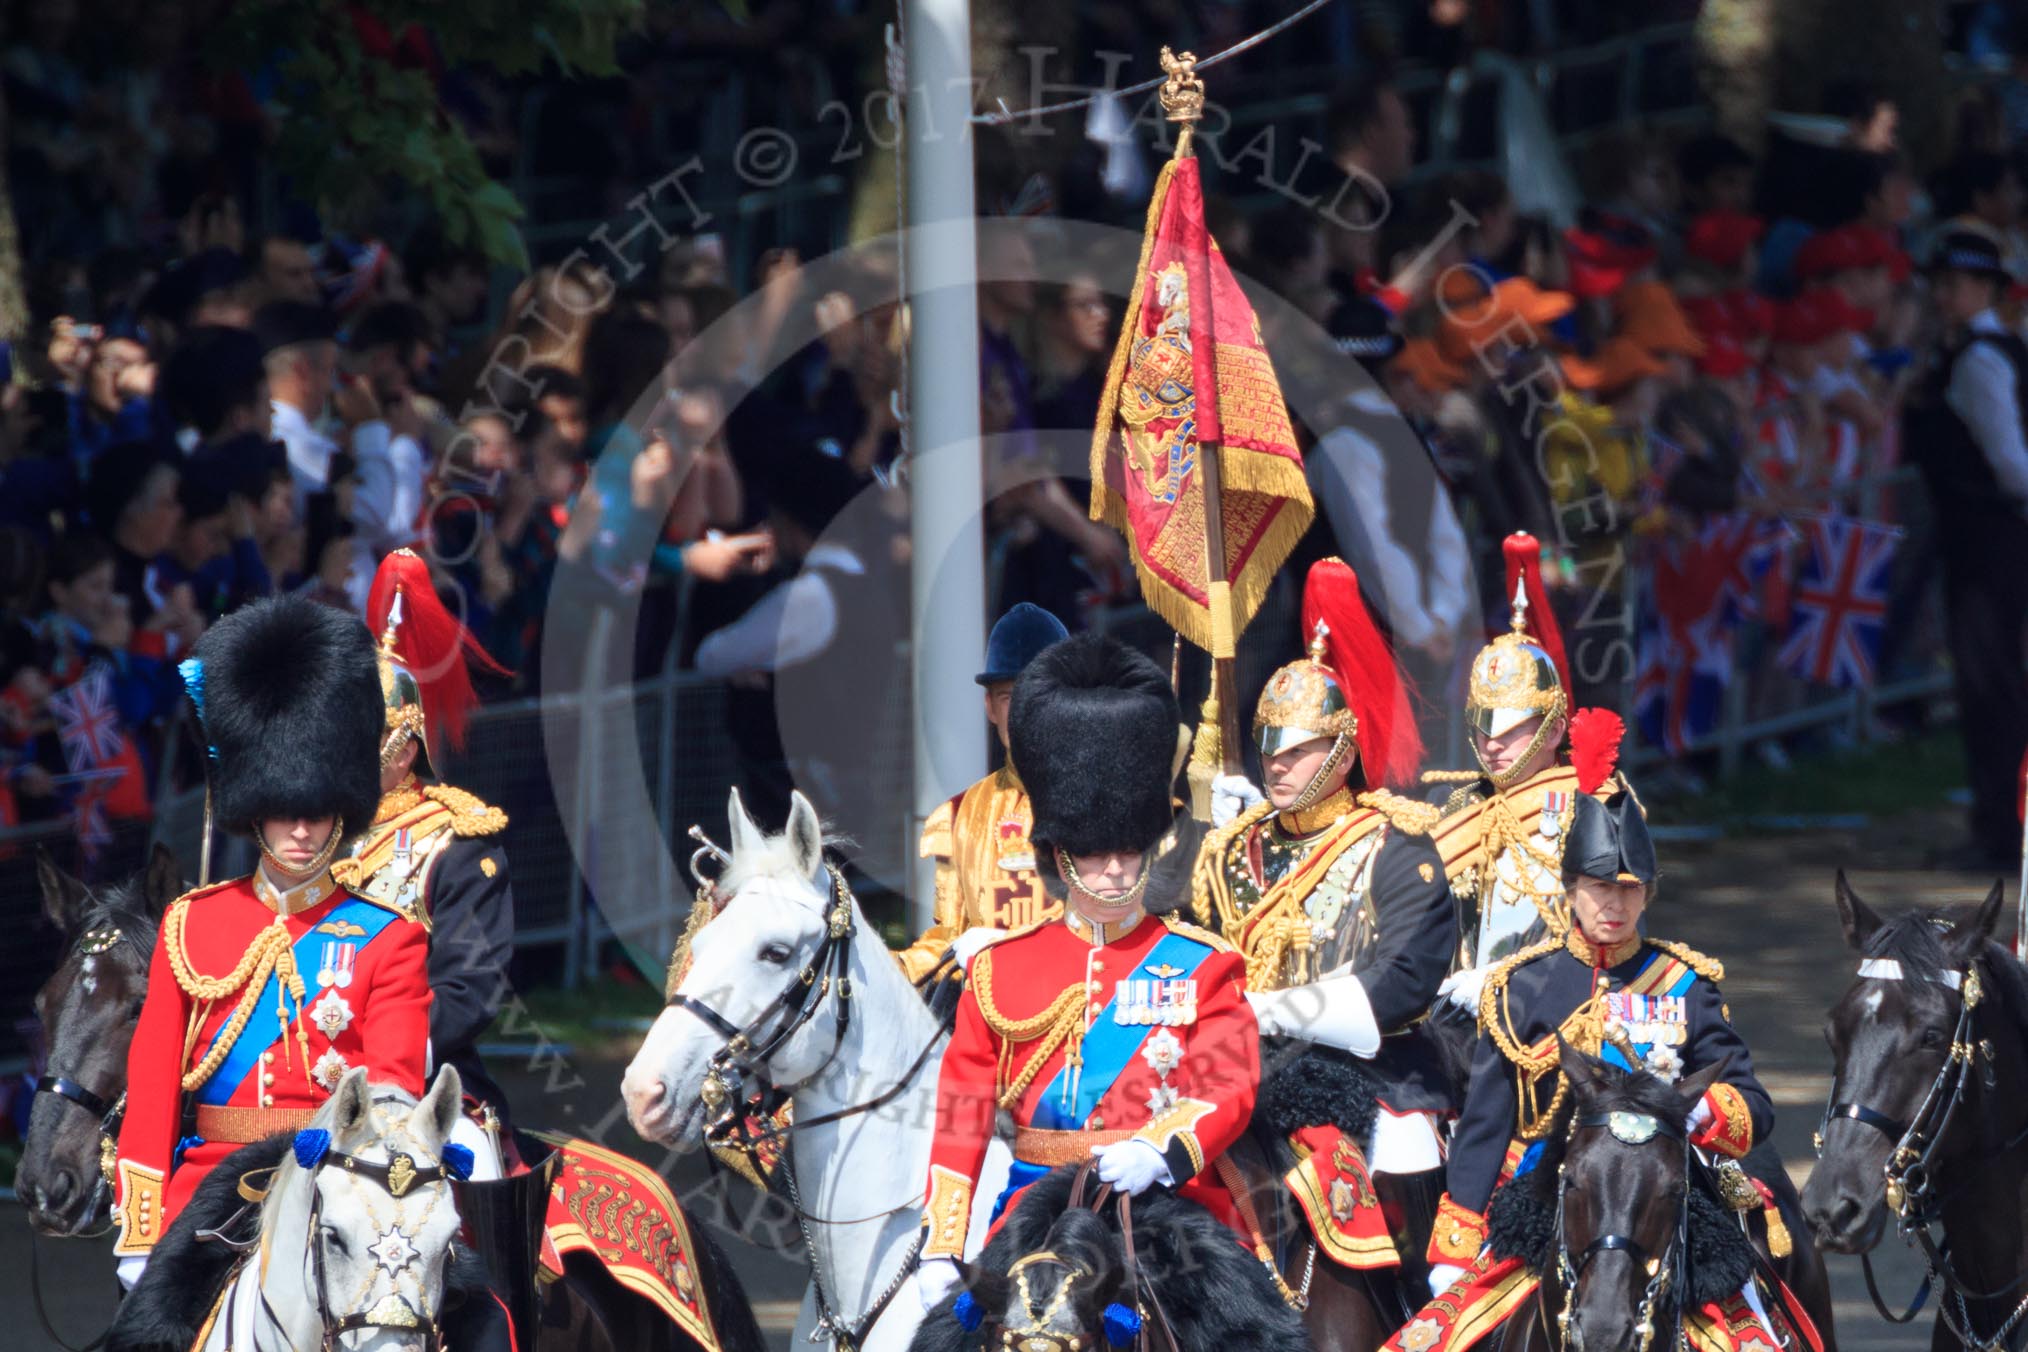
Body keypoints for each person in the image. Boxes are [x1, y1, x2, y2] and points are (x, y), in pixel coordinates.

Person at [914, 633, 1258, 1310]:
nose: (1115, 870)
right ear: (1061, 853)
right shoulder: (997, 971)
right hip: (1033, 1209)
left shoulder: (1205, 965)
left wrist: (1162, 1150)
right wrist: (941, 1241)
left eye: (1129, 852)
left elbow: (1229, 1080)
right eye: (1096, 854)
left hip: (1162, 1207)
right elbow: (960, 1115)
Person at [1399, 791, 1800, 1352]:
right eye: (1600, 887)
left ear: (1649, 894)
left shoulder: (1686, 985)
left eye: (1631, 889)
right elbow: (1485, 1128)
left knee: (1753, 1337)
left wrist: (1703, 1108)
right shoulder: (1520, 989)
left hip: (1663, 1197)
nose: (1615, 903)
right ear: (1569, 891)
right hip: (1543, 1195)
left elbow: (1753, 1102)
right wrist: (1454, 1249)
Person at [110, 595, 431, 1288]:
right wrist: (139, 1235)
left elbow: (394, 1097)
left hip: (330, 1194)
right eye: (284, 813)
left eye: (316, 813)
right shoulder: (190, 924)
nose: (302, 832)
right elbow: (153, 1092)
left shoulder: (390, 938)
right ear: (254, 808)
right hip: (200, 1199)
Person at [1197, 558, 1455, 1282]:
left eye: (1299, 746)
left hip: (1370, 1072)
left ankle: (1423, 1299)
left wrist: (1267, 1009)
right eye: (1269, 742)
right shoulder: (1227, 850)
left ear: (1343, 748)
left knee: (1406, 1144)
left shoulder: (1396, 845)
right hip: (1236, 1064)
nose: (1277, 761)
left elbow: (1397, 988)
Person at [347, 549, 516, 1173]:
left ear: (405, 745)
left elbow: (468, 987)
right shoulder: (306, 835)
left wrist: (375, 1057)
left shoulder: (457, 841)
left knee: (476, 1165)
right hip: (295, 1071)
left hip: (418, 1083)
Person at [1423, 534, 1632, 1018]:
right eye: (1482, 725)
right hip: (1456, 1009)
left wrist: (1513, 987)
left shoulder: (1594, 803)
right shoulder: (1455, 804)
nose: (1492, 744)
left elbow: (1610, 931)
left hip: (1559, 1012)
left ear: (1555, 728)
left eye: (1512, 729)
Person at [1907, 228, 2028, 868]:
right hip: (1984, 537)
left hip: (1990, 540)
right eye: (1942, 283)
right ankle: (1997, 825)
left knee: (1991, 684)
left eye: (1958, 283)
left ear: (1984, 289)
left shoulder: (1981, 359)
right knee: (1989, 681)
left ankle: (2000, 833)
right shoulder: (1978, 351)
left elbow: (2011, 464)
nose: (1946, 294)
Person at [899, 602, 1069, 982]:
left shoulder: (1112, 798)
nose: (1025, 713)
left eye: (1039, 695)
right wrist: (891, 971)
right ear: (990, 707)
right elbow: (946, 939)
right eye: (1010, 697)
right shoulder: (958, 816)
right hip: (990, 1024)